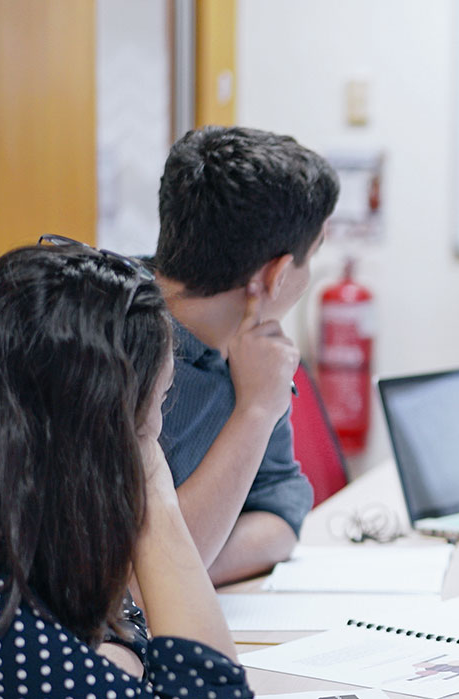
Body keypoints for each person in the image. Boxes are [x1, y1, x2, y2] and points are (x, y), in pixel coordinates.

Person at [0, 242, 250, 697]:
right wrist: (154, 488)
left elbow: (120, 613)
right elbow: (212, 692)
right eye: (158, 403)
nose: (156, 432)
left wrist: (120, 652)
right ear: (101, 427)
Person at [152, 125, 339, 585]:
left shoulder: (254, 351)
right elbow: (122, 579)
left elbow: (279, 509)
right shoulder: (107, 344)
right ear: (275, 275)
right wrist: (255, 410)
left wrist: (179, 574)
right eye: (310, 256)